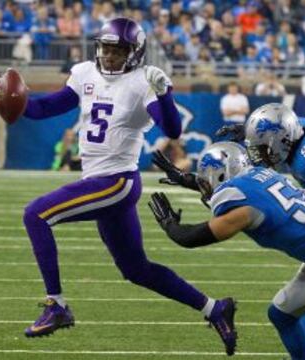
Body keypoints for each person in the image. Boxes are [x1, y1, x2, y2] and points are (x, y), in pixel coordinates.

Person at [14, 17, 237, 354]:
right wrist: (10, 101)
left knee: (36, 215)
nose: (110, 56)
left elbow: (172, 130)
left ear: (135, 53)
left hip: (116, 181)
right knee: (137, 269)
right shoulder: (86, 73)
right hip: (100, 180)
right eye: (106, 48)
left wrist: (164, 94)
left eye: (119, 50)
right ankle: (214, 308)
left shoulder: (141, 83)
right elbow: (46, 107)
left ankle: (56, 305)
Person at [150, 141, 305, 360]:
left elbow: (189, 238)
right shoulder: (261, 176)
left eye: (206, 181)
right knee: (281, 314)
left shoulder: (244, 210)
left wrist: (169, 224)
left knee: (285, 313)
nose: (204, 186)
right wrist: (185, 179)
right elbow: (230, 186)